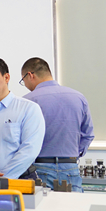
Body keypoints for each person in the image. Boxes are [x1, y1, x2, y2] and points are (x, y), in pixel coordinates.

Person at [21, 57, 94, 192]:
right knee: (73, 205)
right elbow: (88, 135)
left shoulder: (27, 101)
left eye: (23, 81)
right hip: (70, 168)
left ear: (30, 75)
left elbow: (21, 138)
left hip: (39, 169)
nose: (25, 85)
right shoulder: (79, 97)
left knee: (41, 205)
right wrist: (72, 156)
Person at [0, 57, 45, 180]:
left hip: (19, 179)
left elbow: (29, 150)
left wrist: (3, 178)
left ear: (6, 77)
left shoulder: (28, 108)